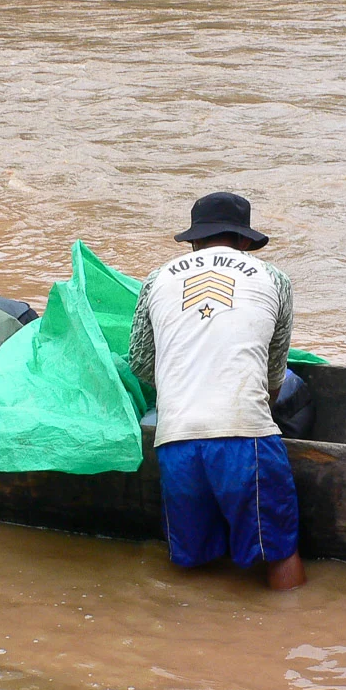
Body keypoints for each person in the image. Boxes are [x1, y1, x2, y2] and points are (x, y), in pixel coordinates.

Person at [127, 192, 306, 590]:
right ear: (244, 241)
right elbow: (274, 370)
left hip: (176, 439)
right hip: (246, 438)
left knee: (193, 563)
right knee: (279, 552)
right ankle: (293, 634)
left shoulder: (158, 279)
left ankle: (193, 638)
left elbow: (139, 360)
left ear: (194, 240)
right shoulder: (274, 278)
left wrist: (182, 382)